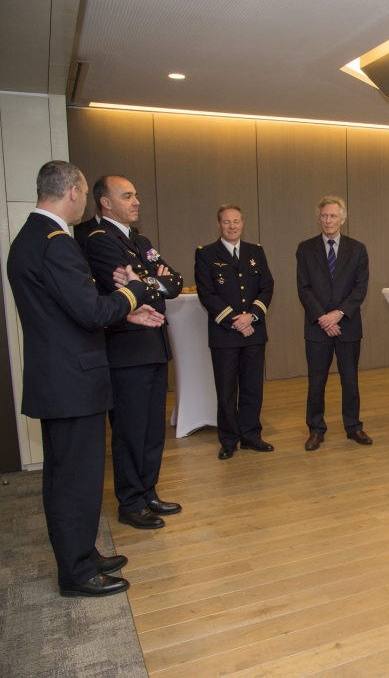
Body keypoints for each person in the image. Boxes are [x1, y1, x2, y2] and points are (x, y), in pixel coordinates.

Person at [7, 160, 161, 596]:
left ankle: (83, 553)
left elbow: (67, 311)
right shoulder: (57, 242)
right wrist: (133, 291)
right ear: (74, 193)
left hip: (56, 376)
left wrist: (125, 310)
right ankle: (77, 572)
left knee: (64, 476)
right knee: (76, 481)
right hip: (73, 381)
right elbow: (92, 311)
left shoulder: (31, 237)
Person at [86, 175, 183, 530]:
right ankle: (130, 501)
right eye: (127, 196)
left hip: (154, 344)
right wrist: (149, 281)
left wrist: (147, 280)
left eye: (136, 195)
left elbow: (172, 282)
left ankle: (148, 491)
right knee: (130, 429)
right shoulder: (100, 240)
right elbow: (132, 287)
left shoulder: (140, 239)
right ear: (105, 203)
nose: (136, 201)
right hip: (127, 348)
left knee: (152, 429)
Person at [195, 204, 275, 460]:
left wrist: (251, 316)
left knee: (252, 387)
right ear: (219, 225)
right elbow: (206, 293)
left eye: (236, 221)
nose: (232, 226)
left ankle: (251, 435)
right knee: (227, 389)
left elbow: (267, 287)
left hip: (254, 331)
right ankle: (229, 439)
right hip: (224, 333)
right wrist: (235, 320)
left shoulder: (256, 252)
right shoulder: (206, 254)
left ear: (242, 223)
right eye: (227, 222)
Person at [296, 196, 371, 451]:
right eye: (324, 216)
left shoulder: (358, 249)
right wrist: (323, 318)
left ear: (343, 219)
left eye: (333, 216)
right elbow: (304, 289)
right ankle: (316, 429)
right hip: (317, 327)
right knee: (316, 381)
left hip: (347, 325)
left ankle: (354, 427)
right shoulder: (305, 248)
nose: (328, 220)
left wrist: (337, 314)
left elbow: (360, 289)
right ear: (319, 218)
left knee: (350, 380)